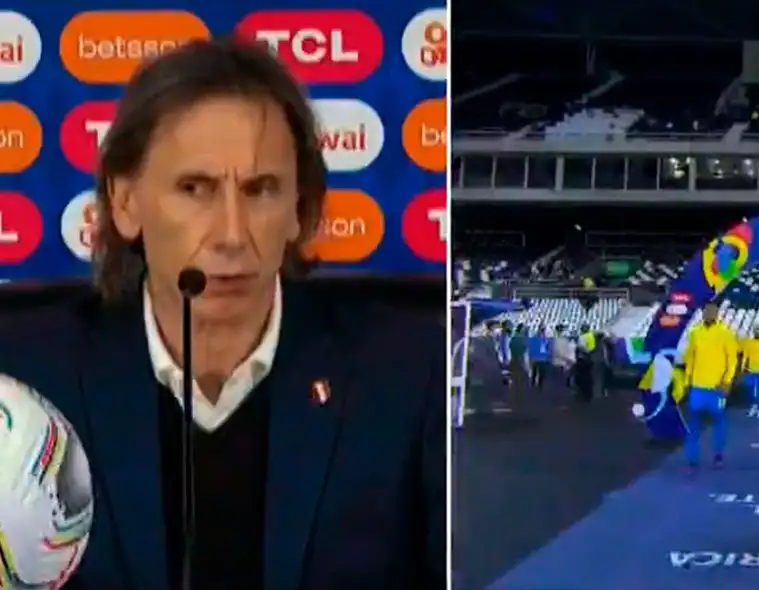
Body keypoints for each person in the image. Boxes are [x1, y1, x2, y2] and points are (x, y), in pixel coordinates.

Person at [0, 38, 444, 589]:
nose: (233, 235)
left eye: (261, 190)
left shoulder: (407, 375)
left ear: (298, 212)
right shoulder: (23, 379)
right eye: (195, 189)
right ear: (125, 203)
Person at [682, 302, 738, 472]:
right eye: (707, 311)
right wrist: (687, 382)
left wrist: (727, 381)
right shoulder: (695, 334)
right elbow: (690, 359)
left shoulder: (725, 334)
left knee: (719, 422)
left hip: (717, 389)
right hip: (697, 387)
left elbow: (732, 360)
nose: (709, 313)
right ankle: (692, 459)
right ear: (703, 313)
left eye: (713, 311)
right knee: (693, 424)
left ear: (717, 313)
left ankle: (718, 455)